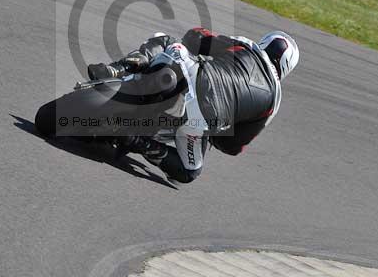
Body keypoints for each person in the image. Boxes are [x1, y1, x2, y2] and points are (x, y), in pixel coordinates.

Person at [87, 27, 299, 183]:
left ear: (265, 42)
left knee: (166, 40)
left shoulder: (246, 45)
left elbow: (197, 37)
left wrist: (197, 45)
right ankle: (136, 140)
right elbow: (233, 145)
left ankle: (116, 69)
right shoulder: (274, 102)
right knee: (189, 171)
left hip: (191, 74)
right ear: (286, 68)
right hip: (201, 119)